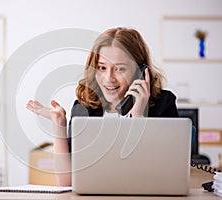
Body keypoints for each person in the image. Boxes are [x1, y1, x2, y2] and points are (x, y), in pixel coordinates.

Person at [26, 27, 179, 186]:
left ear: (140, 71)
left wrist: (139, 116)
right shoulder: (84, 108)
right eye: (102, 67)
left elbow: (161, 176)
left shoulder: (163, 104)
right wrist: (59, 125)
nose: (109, 78)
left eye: (120, 69)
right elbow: (66, 182)